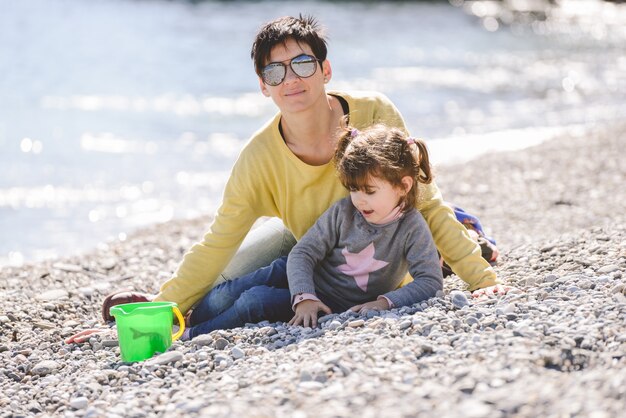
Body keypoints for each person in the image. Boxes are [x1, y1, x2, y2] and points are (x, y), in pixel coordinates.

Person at [94, 14, 507, 333]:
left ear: (325, 71)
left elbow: (426, 201)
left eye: (303, 64)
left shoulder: (375, 111)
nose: (290, 79)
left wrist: (480, 280)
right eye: (275, 72)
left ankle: (462, 246)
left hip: (374, 244)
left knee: (417, 218)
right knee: (218, 293)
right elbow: (216, 243)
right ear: (263, 86)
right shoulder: (258, 158)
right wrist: (162, 309)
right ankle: (160, 307)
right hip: (306, 239)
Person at [179, 122, 443, 339]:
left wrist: (385, 302)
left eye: (369, 191)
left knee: (253, 301)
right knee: (230, 290)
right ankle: (189, 316)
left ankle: (191, 334)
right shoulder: (344, 212)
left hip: (330, 302)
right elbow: (303, 253)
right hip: (299, 274)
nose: (359, 200)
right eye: (353, 189)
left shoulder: (411, 228)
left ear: (404, 186)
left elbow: (430, 281)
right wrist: (303, 295)